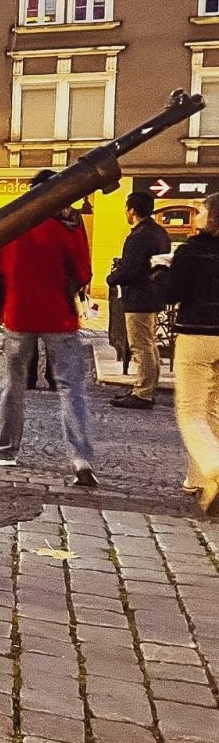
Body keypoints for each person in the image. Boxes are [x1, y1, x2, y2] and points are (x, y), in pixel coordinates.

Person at [0, 169, 96, 486]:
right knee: (72, 388)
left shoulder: (12, 223)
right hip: (59, 315)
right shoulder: (68, 225)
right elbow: (84, 272)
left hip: (18, 314)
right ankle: (81, 459)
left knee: (13, 384)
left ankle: (5, 448)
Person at [166, 191, 219, 511]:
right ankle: (198, 479)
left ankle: (214, 468)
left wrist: (162, 272)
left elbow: (173, 292)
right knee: (213, 408)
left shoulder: (190, 251)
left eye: (199, 211)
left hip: (197, 334)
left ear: (212, 217)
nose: (194, 216)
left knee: (191, 411)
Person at [106, 190, 171, 410]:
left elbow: (130, 269)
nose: (126, 212)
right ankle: (145, 386)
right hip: (154, 293)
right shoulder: (160, 232)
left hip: (139, 296)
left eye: (126, 208)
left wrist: (112, 278)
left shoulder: (138, 236)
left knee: (141, 345)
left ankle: (143, 392)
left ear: (132, 210)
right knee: (150, 344)